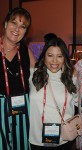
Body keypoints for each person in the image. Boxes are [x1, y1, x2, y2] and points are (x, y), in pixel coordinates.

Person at [29, 37, 77, 150]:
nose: (54, 61)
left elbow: (78, 102)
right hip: (37, 139)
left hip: (63, 139)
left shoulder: (71, 78)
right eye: (50, 55)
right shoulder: (33, 75)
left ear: (64, 58)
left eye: (59, 56)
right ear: (44, 57)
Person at [0, 7, 36, 150]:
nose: (17, 29)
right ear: (5, 24)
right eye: (13, 23)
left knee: (20, 144)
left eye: (23, 26)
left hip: (21, 107)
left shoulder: (25, 51)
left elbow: (38, 77)